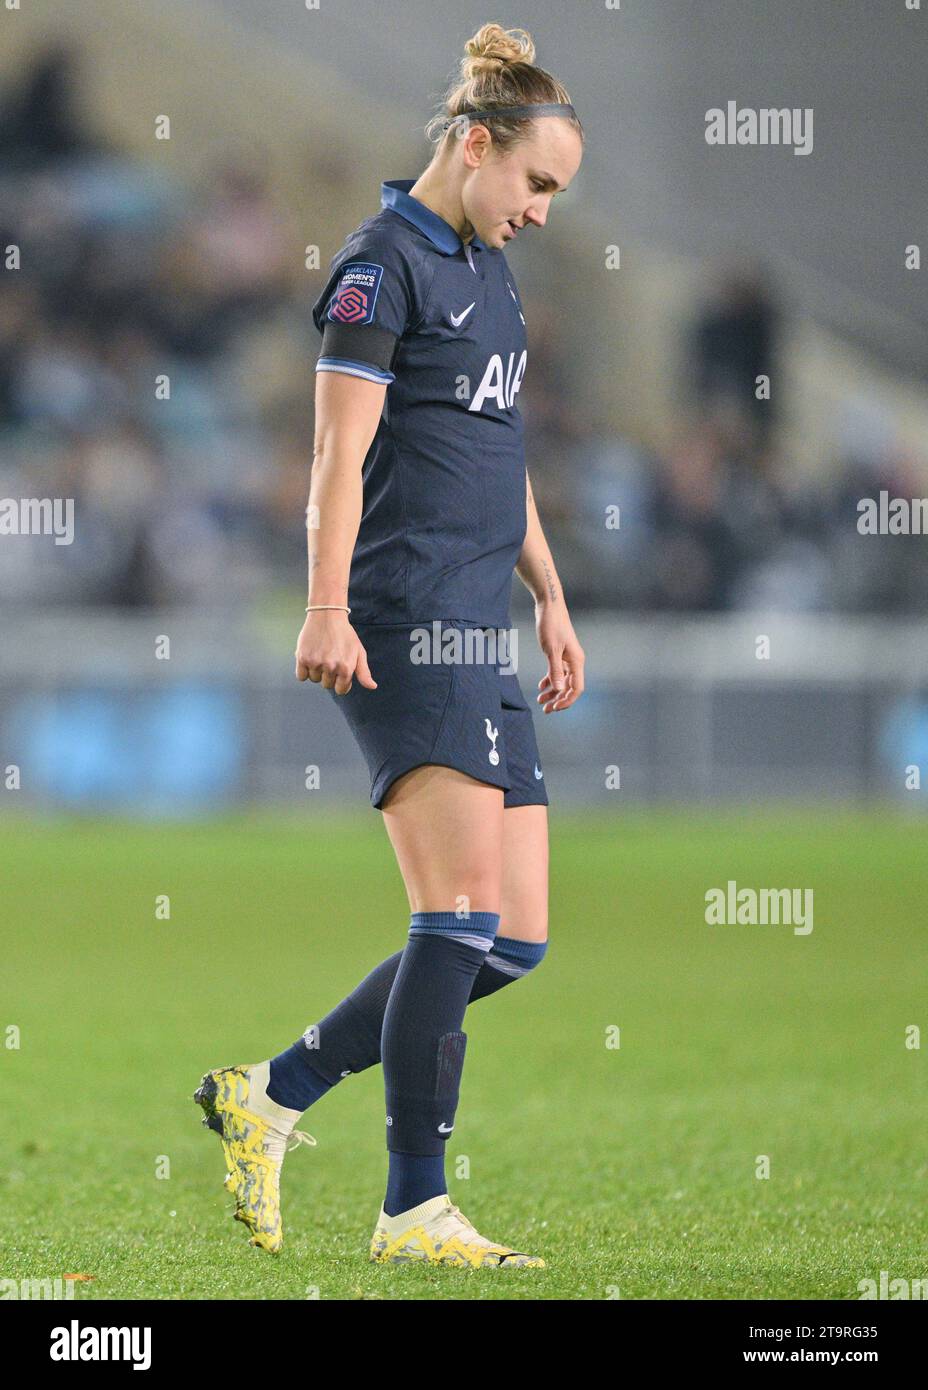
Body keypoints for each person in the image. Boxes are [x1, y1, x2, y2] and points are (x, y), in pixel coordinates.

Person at [195, 22, 585, 1269]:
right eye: (536, 182)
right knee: (457, 914)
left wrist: (550, 596)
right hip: (408, 614)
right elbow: (334, 455)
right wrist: (323, 605)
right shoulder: (381, 265)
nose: (541, 209)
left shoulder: (488, 268)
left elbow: (495, 453)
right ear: (474, 145)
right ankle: (415, 1206)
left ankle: (273, 1091)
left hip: (484, 614)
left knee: (512, 936)